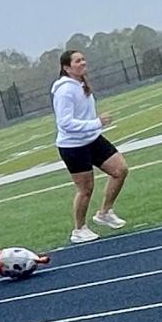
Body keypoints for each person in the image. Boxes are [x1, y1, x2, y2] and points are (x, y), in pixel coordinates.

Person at [52, 49, 130, 242]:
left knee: (120, 170)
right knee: (85, 189)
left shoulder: (81, 83)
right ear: (67, 67)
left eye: (83, 59)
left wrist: (94, 127)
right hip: (73, 146)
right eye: (77, 61)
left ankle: (104, 212)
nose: (83, 63)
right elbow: (65, 123)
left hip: (92, 139)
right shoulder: (65, 90)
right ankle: (79, 230)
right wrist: (97, 123)